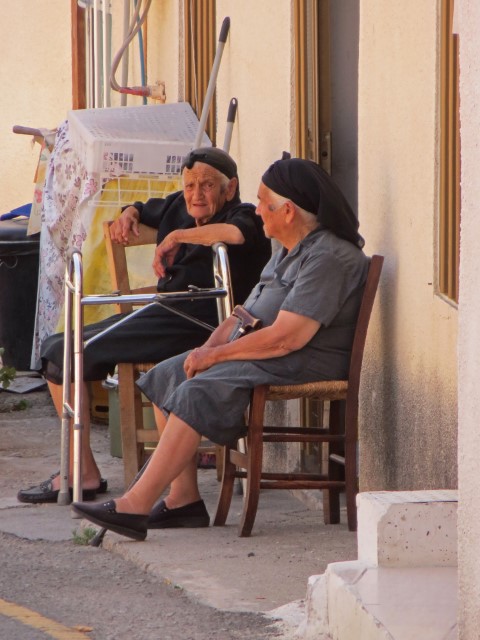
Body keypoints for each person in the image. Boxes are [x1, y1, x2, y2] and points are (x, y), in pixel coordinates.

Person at [72, 156, 370, 540]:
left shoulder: (328, 256)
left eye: (264, 202)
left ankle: (135, 506)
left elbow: (287, 337)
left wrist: (216, 357)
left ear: (289, 211)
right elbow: (244, 314)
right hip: (270, 350)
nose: (257, 209)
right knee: (171, 372)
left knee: (197, 389)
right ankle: (184, 501)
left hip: (305, 358)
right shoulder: (288, 247)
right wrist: (206, 349)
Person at [17, 147, 271, 505]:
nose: (196, 194)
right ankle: (82, 469)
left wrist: (176, 238)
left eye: (208, 186)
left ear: (229, 189)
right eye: (190, 185)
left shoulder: (244, 215)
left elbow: (236, 235)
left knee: (64, 351)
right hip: (164, 314)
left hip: (200, 322)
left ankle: (84, 475)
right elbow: (142, 207)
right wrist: (130, 212)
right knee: (58, 347)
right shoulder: (179, 206)